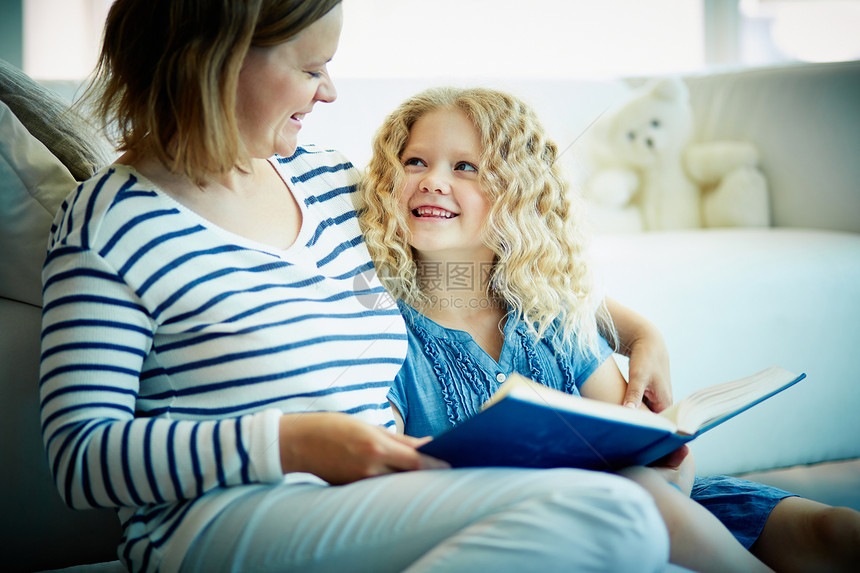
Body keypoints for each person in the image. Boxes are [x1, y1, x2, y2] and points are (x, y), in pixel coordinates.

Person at [38, 2, 678, 572]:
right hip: (223, 517)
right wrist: (295, 442)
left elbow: (471, 270)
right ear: (221, 63)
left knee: (629, 518)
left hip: (379, 490)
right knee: (613, 518)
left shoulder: (330, 185)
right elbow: (80, 453)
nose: (330, 92)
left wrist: (631, 329)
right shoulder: (111, 222)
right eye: (313, 69)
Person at [357, 86, 860, 573]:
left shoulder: (549, 317)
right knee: (639, 499)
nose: (432, 180)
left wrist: (670, 467)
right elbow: (391, 493)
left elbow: (645, 450)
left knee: (834, 532)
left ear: (518, 194)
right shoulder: (383, 332)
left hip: (652, 504)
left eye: (464, 166)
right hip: (532, 529)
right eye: (415, 162)